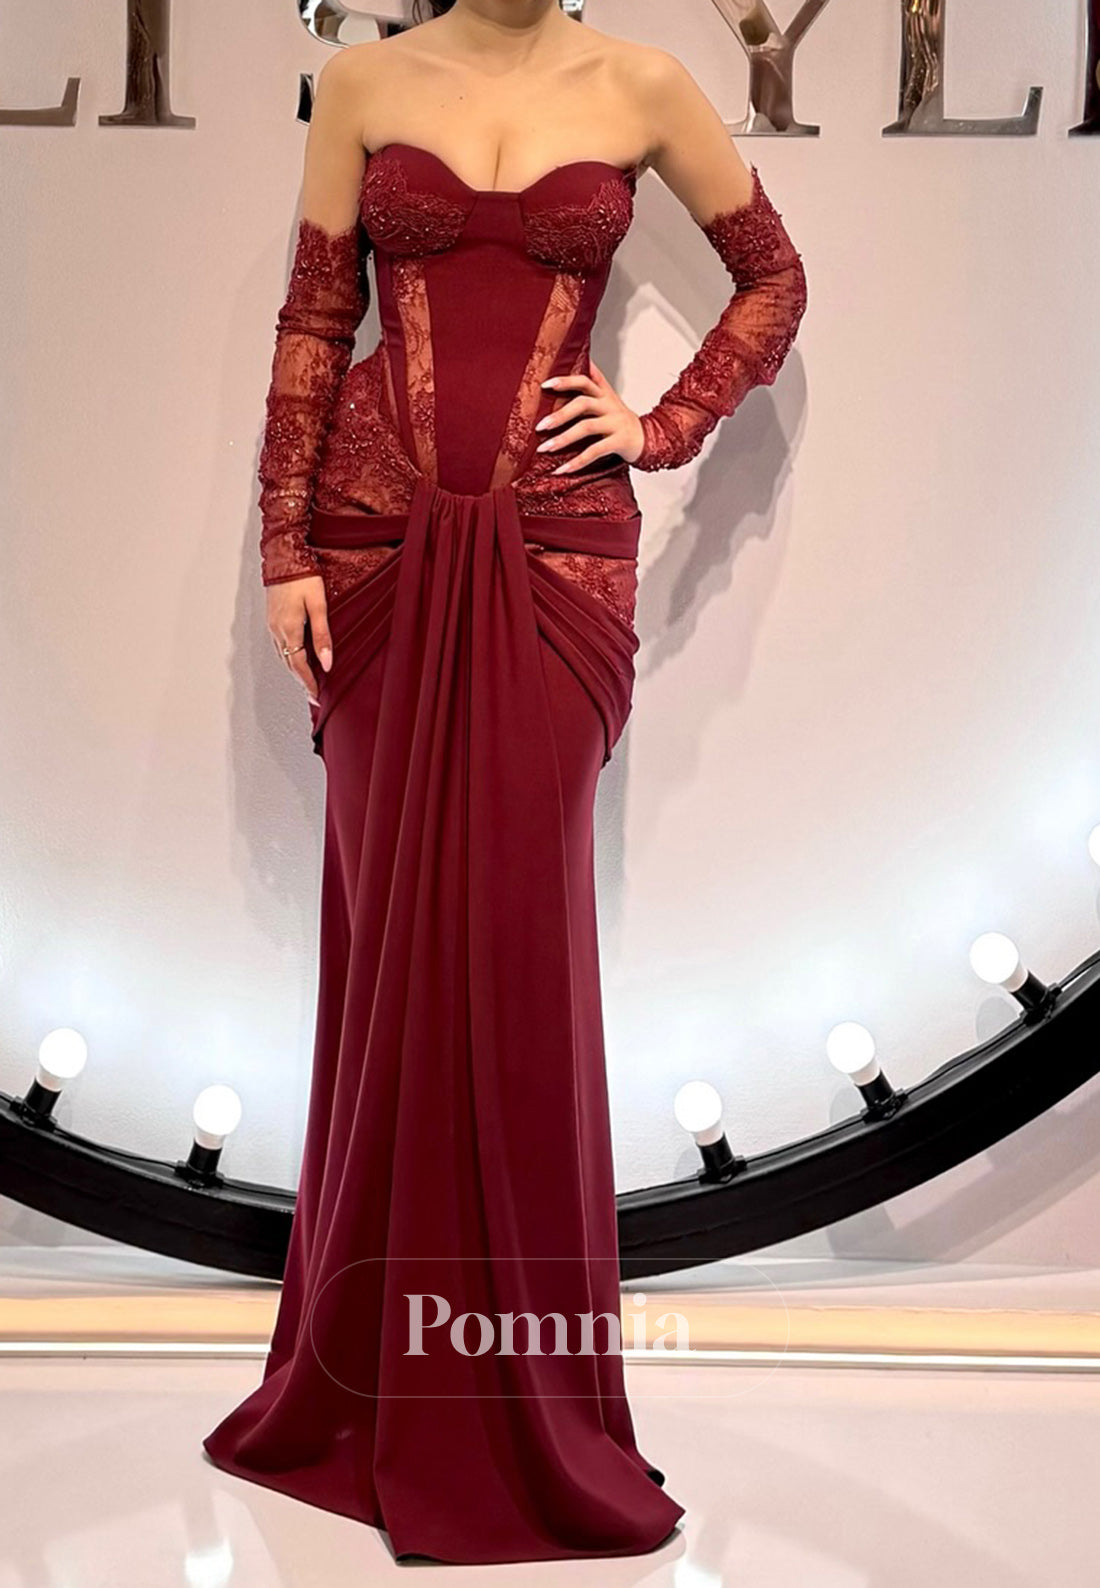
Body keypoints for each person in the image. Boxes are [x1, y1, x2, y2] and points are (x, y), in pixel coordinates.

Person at [202, 0, 806, 1566]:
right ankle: (365, 1378)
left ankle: (516, 1395)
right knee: (396, 947)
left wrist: (662, 424)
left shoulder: (643, 83)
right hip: (374, 555)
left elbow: (776, 280)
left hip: (554, 562)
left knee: (519, 950)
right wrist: (281, 548)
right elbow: (311, 327)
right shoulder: (365, 80)